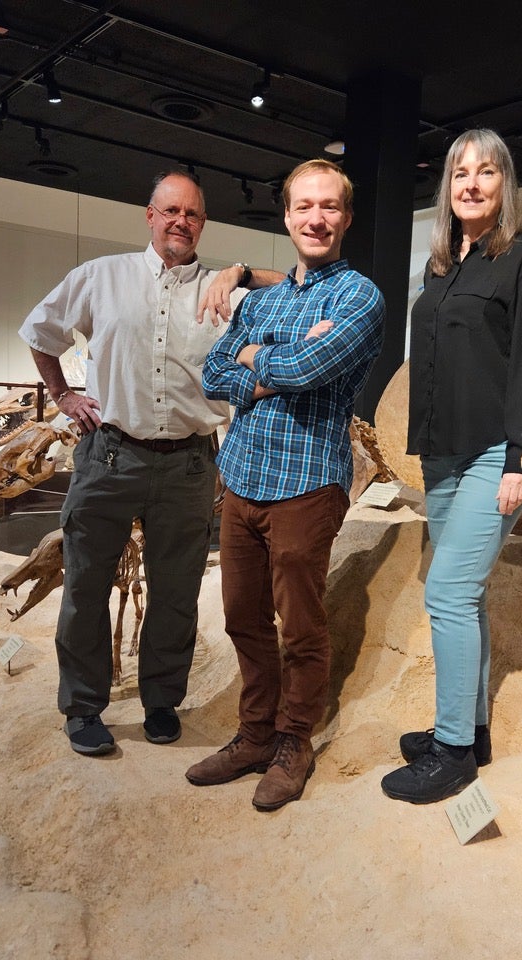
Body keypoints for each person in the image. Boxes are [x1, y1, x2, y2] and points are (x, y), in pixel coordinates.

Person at [19, 170, 279, 757]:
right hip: (108, 455)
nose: (179, 222)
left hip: (188, 464)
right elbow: (39, 330)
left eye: (191, 214)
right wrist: (63, 395)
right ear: (149, 215)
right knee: (86, 584)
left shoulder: (224, 292)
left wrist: (237, 271)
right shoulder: (101, 277)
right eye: (170, 211)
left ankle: (162, 700)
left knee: (177, 589)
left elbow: (294, 283)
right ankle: (83, 706)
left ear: (202, 224)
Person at [187, 159, 385, 811]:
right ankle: (254, 733)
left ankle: (293, 741)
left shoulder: (359, 297)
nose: (316, 218)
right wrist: (266, 363)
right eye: (305, 206)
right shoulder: (266, 300)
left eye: (329, 206)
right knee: (242, 616)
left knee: (299, 626)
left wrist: (257, 357)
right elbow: (214, 375)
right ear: (288, 216)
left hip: (306, 481)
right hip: (242, 477)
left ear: (346, 218)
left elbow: (311, 367)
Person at [380, 128, 522, 805]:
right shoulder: (440, 269)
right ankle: (471, 729)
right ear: (447, 188)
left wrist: (519, 460)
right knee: (469, 596)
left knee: (447, 594)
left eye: (487, 172)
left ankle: (451, 752)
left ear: (504, 184)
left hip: (492, 454)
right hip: (443, 455)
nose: (473, 184)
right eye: (461, 173)